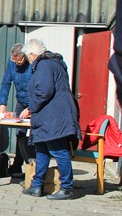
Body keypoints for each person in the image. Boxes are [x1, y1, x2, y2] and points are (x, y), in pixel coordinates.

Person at [19, 39, 80, 200]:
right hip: (48, 115)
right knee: (42, 150)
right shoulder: (52, 64)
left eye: (28, 57)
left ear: (33, 54)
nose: (29, 61)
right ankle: (36, 185)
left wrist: (30, 108)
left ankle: (66, 188)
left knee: (58, 150)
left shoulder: (44, 65)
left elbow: (44, 91)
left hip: (54, 116)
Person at [0, 43, 33, 178]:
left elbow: (39, 87)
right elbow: (6, 83)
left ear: (25, 57)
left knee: (35, 133)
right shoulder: (11, 63)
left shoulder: (32, 64)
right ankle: (17, 165)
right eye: (14, 61)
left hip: (34, 102)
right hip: (21, 101)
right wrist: (2, 104)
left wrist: (31, 108)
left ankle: (33, 166)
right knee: (20, 133)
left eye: (19, 61)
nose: (16, 64)